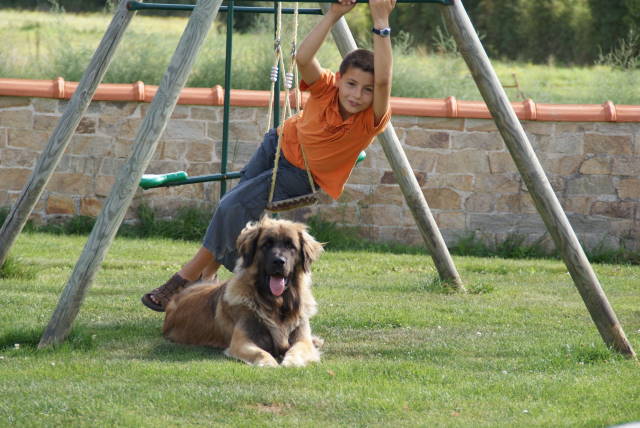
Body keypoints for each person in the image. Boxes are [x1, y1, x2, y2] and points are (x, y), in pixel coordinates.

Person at [141, 0, 396, 312]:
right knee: (234, 209)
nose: (357, 94)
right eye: (352, 84)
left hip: (301, 175)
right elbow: (303, 58)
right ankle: (208, 278)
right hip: (276, 145)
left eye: (367, 90)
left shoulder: (372, 118)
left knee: (230, 206)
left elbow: (384, 80)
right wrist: (333, 14)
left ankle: (184, 278)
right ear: (340, 79)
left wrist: (380, 20)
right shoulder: (327, 88)